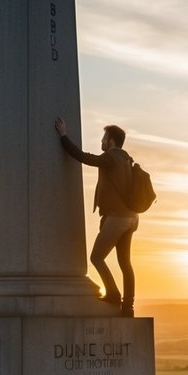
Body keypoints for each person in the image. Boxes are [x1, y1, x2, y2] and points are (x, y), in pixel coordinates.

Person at [53, 117, 138, 316]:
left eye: (104, 138)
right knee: (125, 263)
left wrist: (64, 136)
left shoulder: (111, 157)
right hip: (131, 219)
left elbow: (84, 157)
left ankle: (114, 295)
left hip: (117, 218)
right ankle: (128, 306)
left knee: (96, 257)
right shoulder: (126, 158)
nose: (101, 142)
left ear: (111, 141)